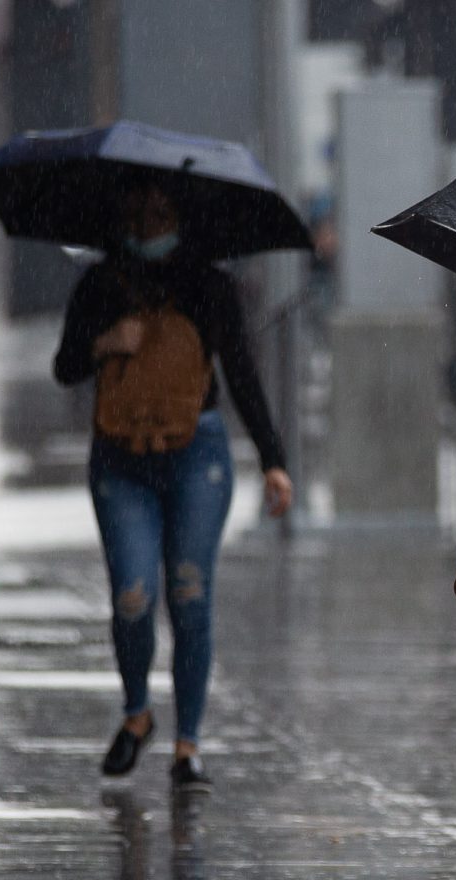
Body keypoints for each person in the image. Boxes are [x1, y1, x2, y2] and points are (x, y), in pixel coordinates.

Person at [53, 178, 293, 793]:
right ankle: (138, 713)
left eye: (161, 213)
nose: (149, 225)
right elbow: (64, 367)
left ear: (182, 219)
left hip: (197, 456)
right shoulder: (100, 284)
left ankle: (189, 744)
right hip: (120, 459)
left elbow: (241, 371)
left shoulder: (211, 286)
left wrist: (273, 459)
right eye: (138, 212)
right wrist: (108, 341)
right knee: (132, 594)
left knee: (189, 592)